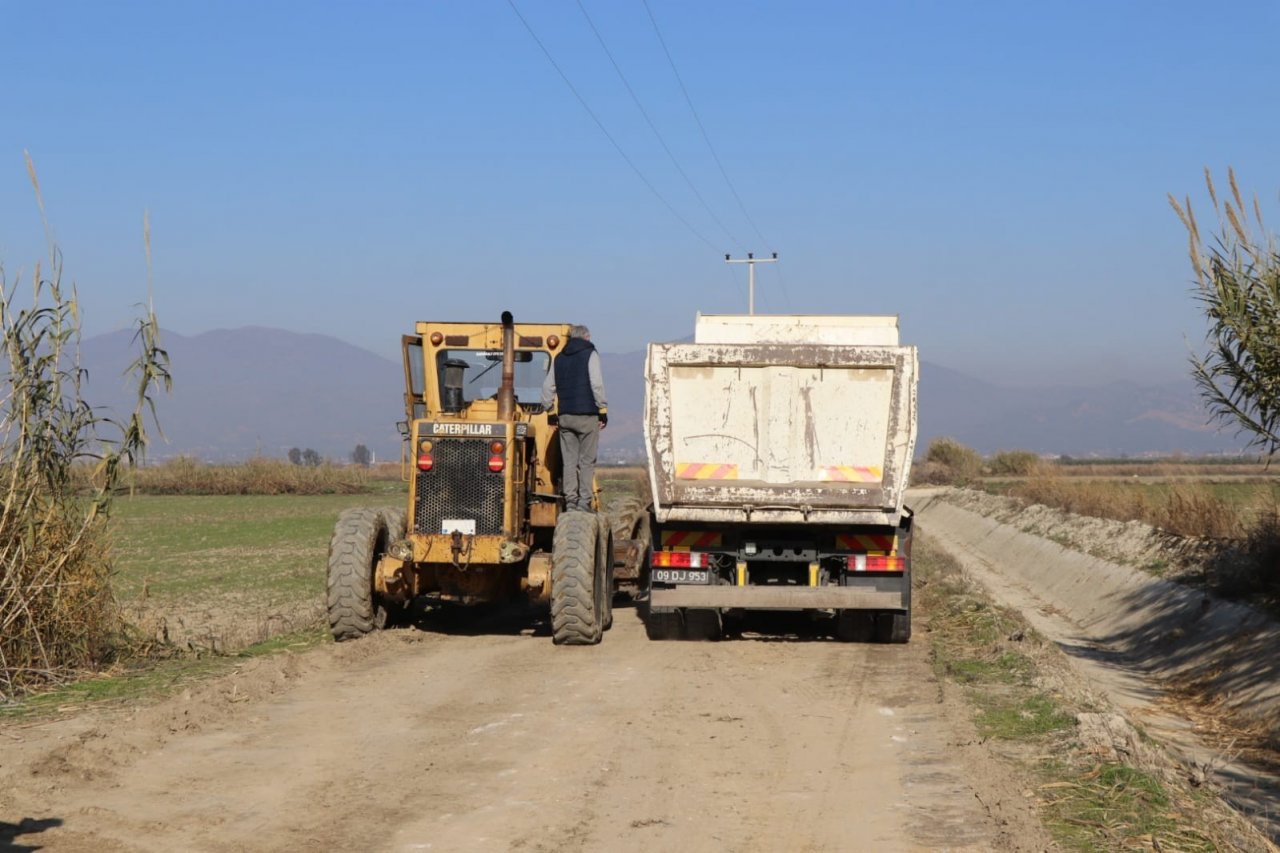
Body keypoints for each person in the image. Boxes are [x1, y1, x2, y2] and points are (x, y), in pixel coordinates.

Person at [541, 324, 607, 512]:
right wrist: (602, 409)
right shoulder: (590, 354)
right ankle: (584, 501)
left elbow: (547, 388)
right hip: (587, 416)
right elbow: (596, 383)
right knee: (586, 461)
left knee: (569, 461)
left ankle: (570, 500)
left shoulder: (559, 357)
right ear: (586, 337)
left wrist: (551, 412)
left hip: (565, 417)